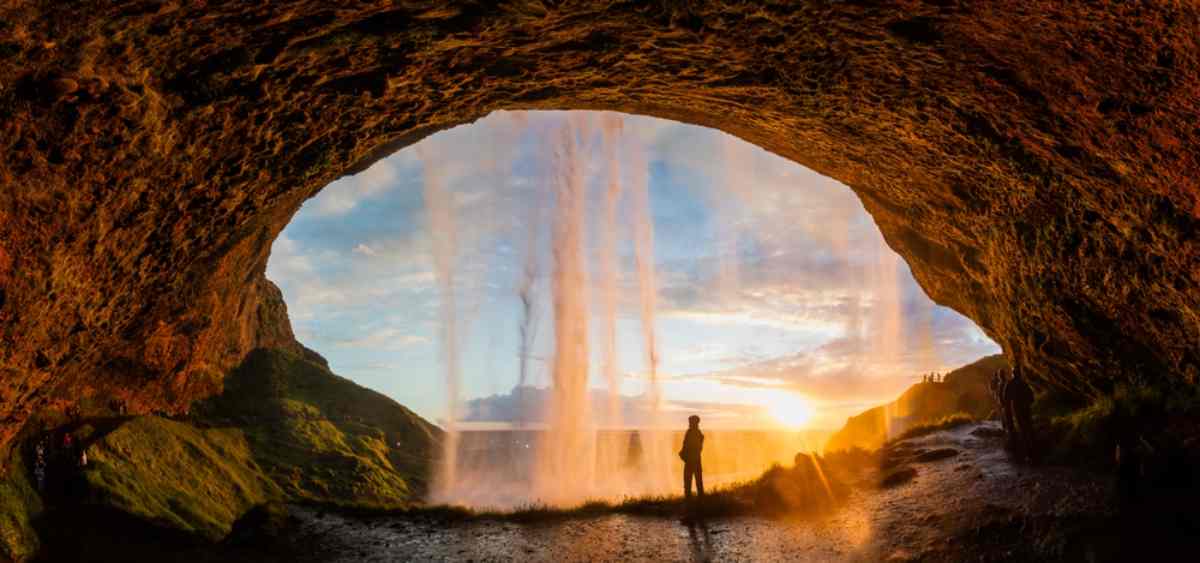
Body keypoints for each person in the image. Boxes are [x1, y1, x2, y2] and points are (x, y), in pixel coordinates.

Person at [1004, 367, 1036, 461]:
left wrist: (1008, 411)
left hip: (1017, 408)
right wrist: (1028, 403)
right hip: (1026, 408)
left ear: (1013, 374)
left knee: (1022, 428)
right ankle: (1033, 449)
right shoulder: (1024, 383)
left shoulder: (1010, 384)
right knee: (1029, 427)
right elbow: (1031, 396)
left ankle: (1027, 452)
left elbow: (1006, 398)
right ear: (1019, 373)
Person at [679, 415, 704, 498]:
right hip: (692, 460)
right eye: (689, 421)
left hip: (692, 461)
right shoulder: (693, 433)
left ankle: (695, 500)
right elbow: (686, 446)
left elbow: (695, 448)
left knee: (693, 482)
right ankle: (697, 499)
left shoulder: (694, 433)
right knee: (692, 482)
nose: (689, 423)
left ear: (695, 422)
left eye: (690, 422)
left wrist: (684, 454)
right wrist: (683, 453)